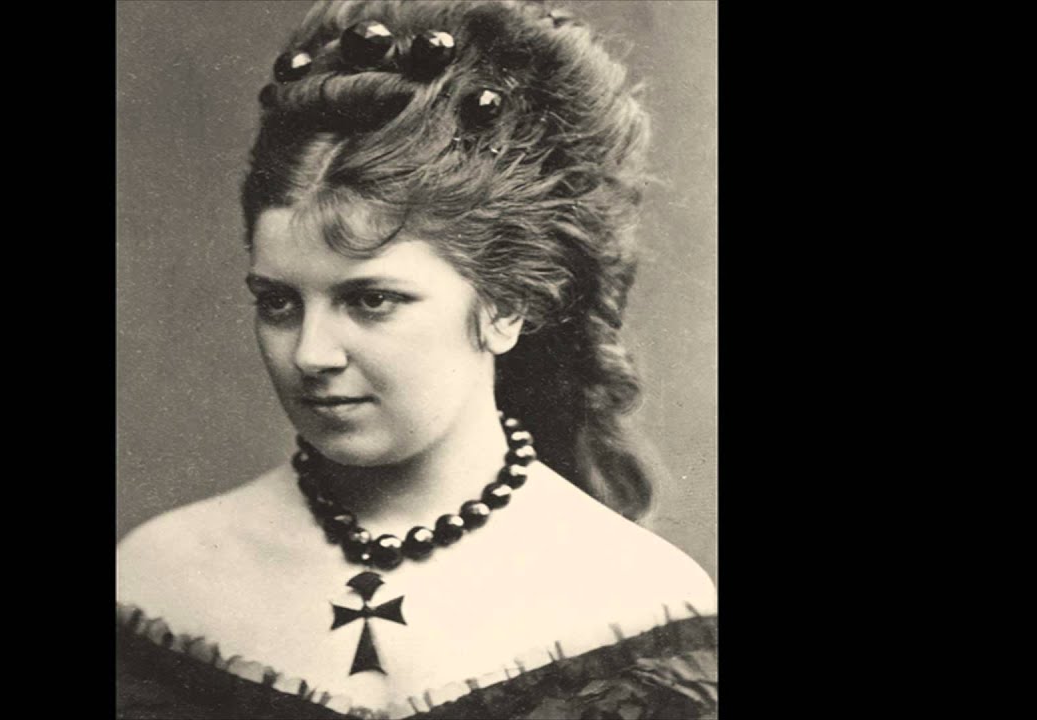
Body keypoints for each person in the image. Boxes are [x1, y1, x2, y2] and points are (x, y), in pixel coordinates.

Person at [116, 1, 716, 718]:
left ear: (504, 306)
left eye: (372, 300)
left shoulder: (639, 601)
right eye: (278, 302)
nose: (310, 353)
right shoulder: (161, 580)